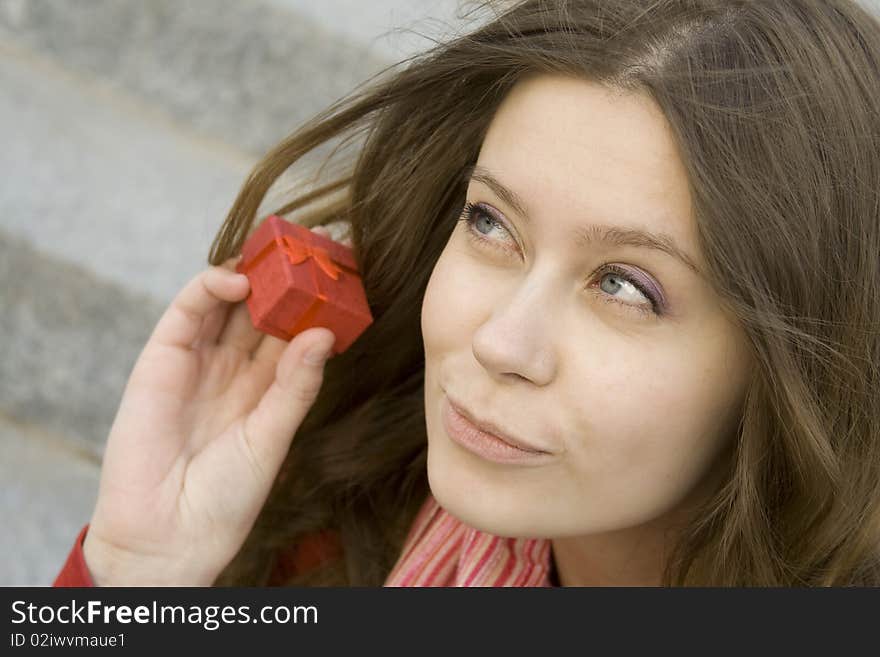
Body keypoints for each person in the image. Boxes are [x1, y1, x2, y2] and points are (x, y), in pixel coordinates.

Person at [54, 0, 880, 587]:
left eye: (625, 284)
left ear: (800, 371)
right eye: (491, 224)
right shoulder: (333, 527)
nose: (499, 343)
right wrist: (138, 580)